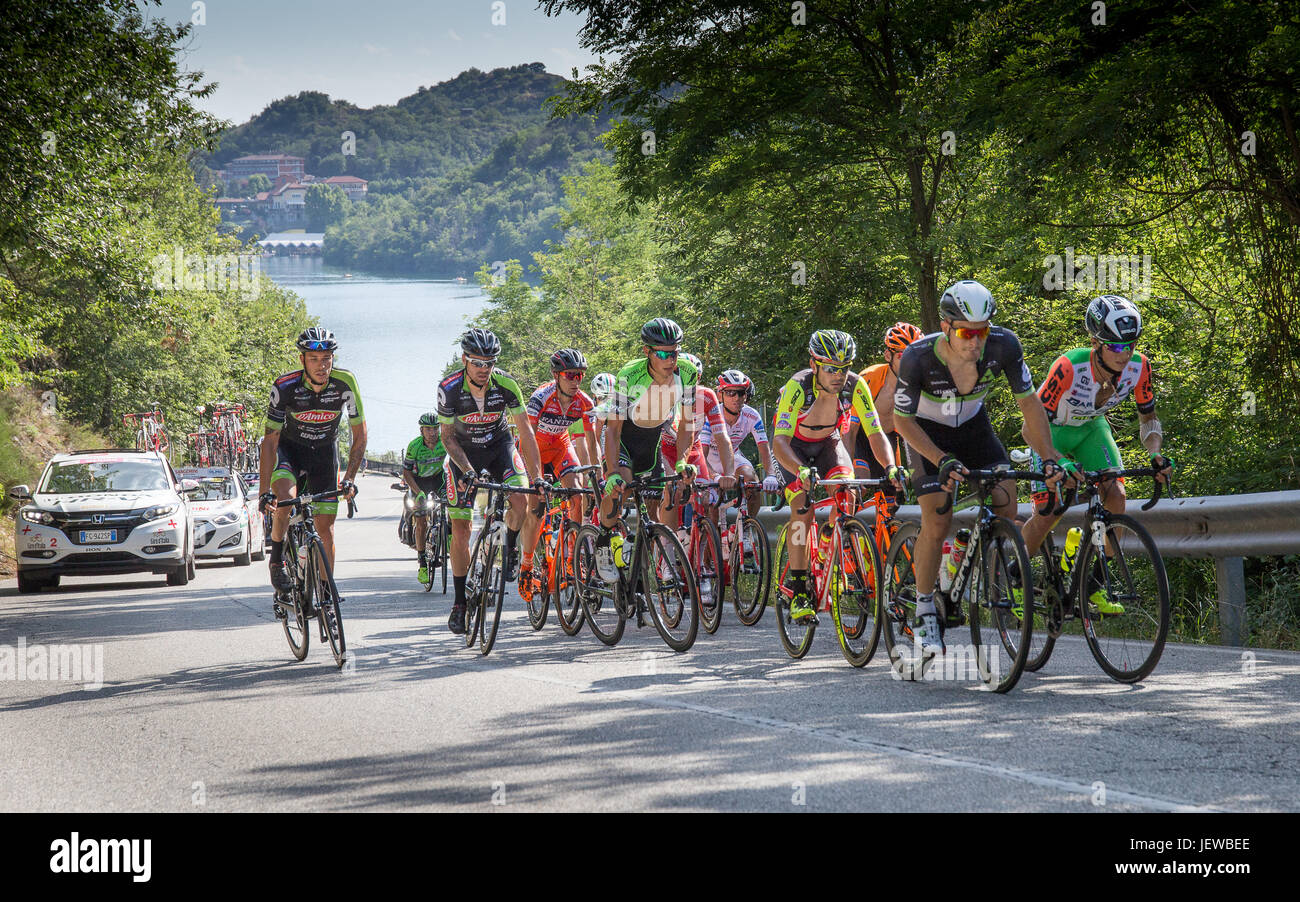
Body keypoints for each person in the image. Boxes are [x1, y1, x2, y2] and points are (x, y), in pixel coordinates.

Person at [891, 280, 1071, 653]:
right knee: (937, 520)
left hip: (974, 429)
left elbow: (1030, 405)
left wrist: (1050, 456)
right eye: (965, 332)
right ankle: (925, 609)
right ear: (945, 326)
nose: (975, 341)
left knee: (1006, 501)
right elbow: (902, 422)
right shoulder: (917, 357)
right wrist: (940, 459)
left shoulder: (1005, 346)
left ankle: (980, 569)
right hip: (927, 434)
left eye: (982, 331)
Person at [1016, 294, 1173, 614]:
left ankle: (1094, 586)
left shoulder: (1140, 368)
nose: (1124, 354)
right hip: (1051, 431)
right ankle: (1016, 576)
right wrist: (1053, 458)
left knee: (1115, 493)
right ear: (1095, 342)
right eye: (1115, 347)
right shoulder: (1069, 368)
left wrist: (1155, 454)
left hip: (1091, 429)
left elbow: (1149, 418)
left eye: (1129, 346)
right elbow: (1029, 427)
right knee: (1049, 512)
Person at [772, 329, 905, 623]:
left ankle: (830, 537)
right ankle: (800, 589)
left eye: (843, 368)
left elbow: (876, 434)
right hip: (792, 448)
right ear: (814, 364)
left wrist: (891, 467)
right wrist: (800, 470)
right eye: (831, 368)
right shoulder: (798, 386)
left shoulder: (856, 386)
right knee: (802, 509)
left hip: (829, 444)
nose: (838, 375)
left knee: (848, 495)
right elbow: (778, 443)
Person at [438, 328, 543, 634]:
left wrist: (537, 478)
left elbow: (525, 432)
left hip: (499, 447)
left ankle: (509, 549)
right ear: (464, 360)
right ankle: (459, 603)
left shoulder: (507, 384)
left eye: (489, 363)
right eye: (477, 363)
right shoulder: (449, 388)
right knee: (461, 527)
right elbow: (446, 437)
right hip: (462, 453)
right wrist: (468, 471)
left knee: (522, 500)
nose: (484, 369)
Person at [259, 327, 366, 599]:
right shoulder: (285, 386)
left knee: (326, 530)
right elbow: (270, 440)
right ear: (302, 360)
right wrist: (263, 493)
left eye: (327, 358)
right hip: (290, 450)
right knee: (285, 498)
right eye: (315, 359)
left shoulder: (345, 383)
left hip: (324, 453)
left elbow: (360, 433)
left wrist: (350, 478)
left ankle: (327, 592)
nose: (322, 365)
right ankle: (276, 560)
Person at [594, 318, 699, 580]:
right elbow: (614, 429)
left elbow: (687, 424)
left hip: (651, 442)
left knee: (651, 513)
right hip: (624, 439)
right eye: (662, 353)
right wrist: (612, 473)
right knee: (623, 489)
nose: (670, 359)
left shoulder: (687, 373)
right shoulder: (629, 375)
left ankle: (639, 580)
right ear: (647, 352)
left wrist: (682, 462)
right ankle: (605, 539)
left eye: (674, 352)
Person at [517, 349, 599, 604]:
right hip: (534, 451)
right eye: (570, 375)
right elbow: (526, 437)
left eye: (580, 376)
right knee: (537, 508)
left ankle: (573, 558)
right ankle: (527, 564)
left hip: (560, 447)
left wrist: (597, 473)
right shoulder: (540, 398)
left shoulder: (584, 402)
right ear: (556, 375)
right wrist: (535, 476)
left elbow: (592, 440)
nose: (576, 380)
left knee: (577, 492)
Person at [844, 322, 923, 481]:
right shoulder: (869, 377)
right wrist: (844, 468)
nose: (911, 363)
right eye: (903, 356)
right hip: (860, 436)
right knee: (859, 483)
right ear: (888, 356)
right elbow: (850, 428)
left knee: (891, 499)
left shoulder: (921, 385)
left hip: (888, 439)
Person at [703, 369, 781, 515]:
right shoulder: (711, 415)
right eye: (730, 393)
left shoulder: (752, 416)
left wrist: (771, 475)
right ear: (720, 395)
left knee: (752, 481)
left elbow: (765, 451)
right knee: (711, 511)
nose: (736, 398)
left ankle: (746, 528)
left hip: (733, 458)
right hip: (708, 461)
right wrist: (716, 476)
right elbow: (702, 454)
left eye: (741, 393)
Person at [401, 412, 448, 586]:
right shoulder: (414, 446)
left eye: (436, 428)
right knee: (420, 521)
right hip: (419, 481)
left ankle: (446, 536)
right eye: (428, 429)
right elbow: (406, 472)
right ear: (422, 430)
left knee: (455, 506)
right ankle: (422, 562)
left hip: (439, 479)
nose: (433, 432)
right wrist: (417, 491)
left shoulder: (445, 441)